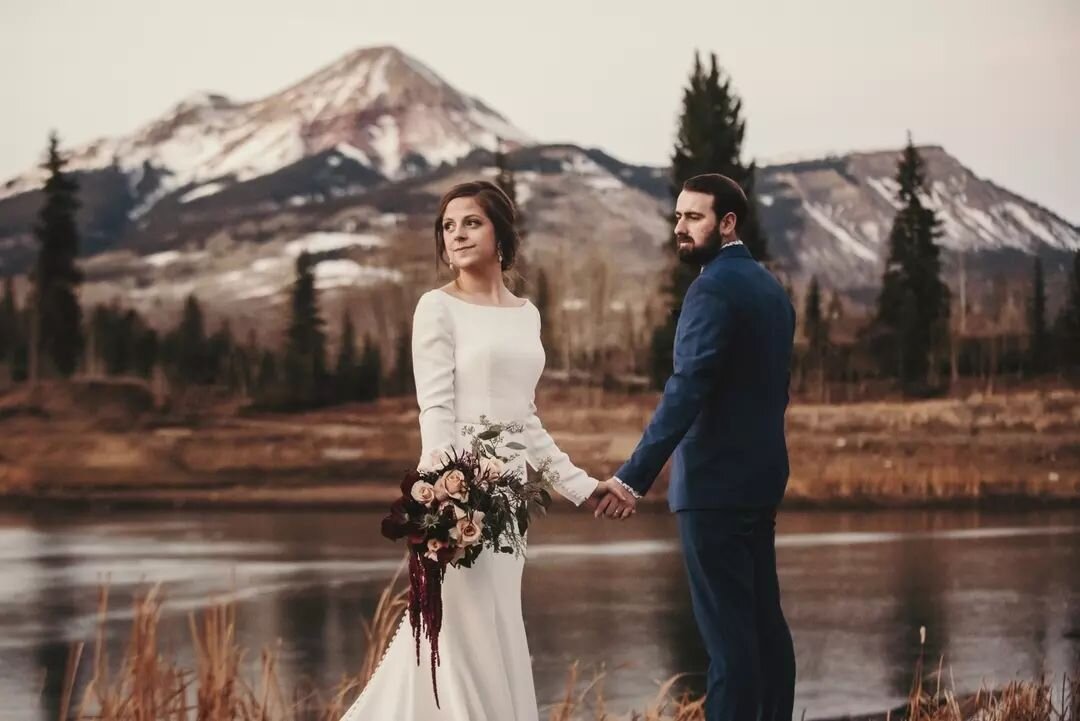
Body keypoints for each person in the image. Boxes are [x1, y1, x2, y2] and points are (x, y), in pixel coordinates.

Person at [339, 180, 627, 721]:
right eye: (447, 226)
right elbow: (437, 412)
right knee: (460, 635)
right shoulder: (436, 308)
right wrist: (441, 504)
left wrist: (585, 487)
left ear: (501, 233)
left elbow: (525, 422)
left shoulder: (526, 314)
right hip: (459, 502)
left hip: (510, 503)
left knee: (497, 626)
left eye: (471, 222)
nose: (457, 234)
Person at [598, 174, 798, 721]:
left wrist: (634, 475)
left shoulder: (711, 288)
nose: (679, 228)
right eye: (678, 216)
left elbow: (687, 388)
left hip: (713, 486)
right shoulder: (770, 289)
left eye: (694, 217)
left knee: (729, 645)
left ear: (728, 222)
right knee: (764, 628)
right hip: (760, 480)